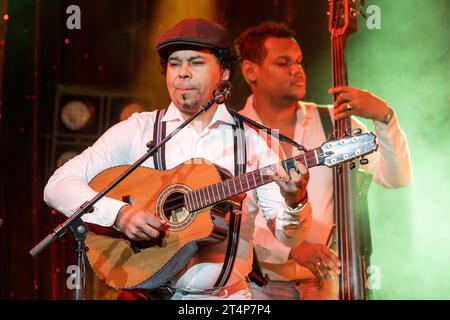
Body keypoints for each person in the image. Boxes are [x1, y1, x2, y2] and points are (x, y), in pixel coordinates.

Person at [43, 18, 312, 300]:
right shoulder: (138, 130)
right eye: (174, 64)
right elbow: (57, 185)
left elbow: (289, 236)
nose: (182, 73)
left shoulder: (257, 141)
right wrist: (120, 215)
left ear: (225, 71)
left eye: (196, 63)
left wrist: (296, 200)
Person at [234, 21, 412, 299]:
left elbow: (395, 178)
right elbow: (227, 219)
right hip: (255, 287)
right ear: (250, 71)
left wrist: (384, 117)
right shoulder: (232, 133)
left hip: (325, 286)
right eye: (283, 62)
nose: (297, 70)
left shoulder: (334, 123)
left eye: (299, 61)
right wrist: (291, 248)